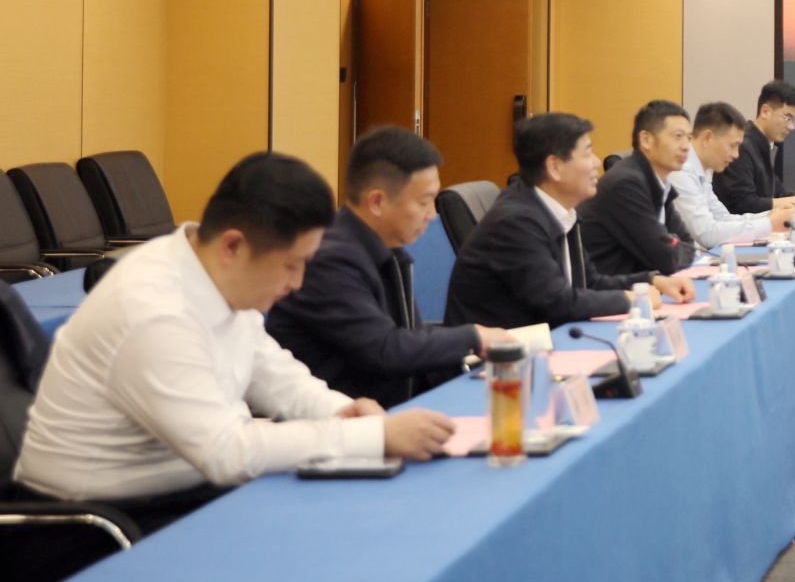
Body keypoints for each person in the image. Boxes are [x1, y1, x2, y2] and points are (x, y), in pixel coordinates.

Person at [14, 153, 454, 527]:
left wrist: (339, 410)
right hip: (92, 524)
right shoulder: (153, 311)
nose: (298, 282)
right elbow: (226, 452)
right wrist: (374, 437)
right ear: (233, 246)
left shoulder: (209, 269)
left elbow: (271, 370)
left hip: (181, 490)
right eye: (291, 264)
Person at [267, 128, 510, 408]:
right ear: (377, 202)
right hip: (346, 421)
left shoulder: (385, 246)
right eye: (423, 202)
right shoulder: (330, 260)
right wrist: (473, 337)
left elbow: (408, 337)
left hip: (392, 410)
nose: (432, 215)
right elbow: (385, 350)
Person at [446, 113, 691, 329]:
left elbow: (589, 282)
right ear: (554, 167)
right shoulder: (516, 221)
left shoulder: (559, 209)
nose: (597, 162)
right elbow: (558, 302)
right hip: (496, 357)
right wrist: (632, 299)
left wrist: (651, 280)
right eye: (587, 152)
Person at [582, 100, 699, 279]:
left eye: (688, 138)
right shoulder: (626, 184)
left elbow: (689, 245)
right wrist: (673, 248)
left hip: (641, 286)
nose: (686, 146)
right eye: (678, 136)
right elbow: (665, 260)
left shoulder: (658, 182)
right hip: (612, 291)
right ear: (646, 140)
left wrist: (673, 249)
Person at [670, 101, 795, 262]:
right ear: (708, 138)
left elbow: (722, 217)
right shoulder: (681, 170)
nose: (736, 154)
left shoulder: (704, 169)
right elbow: (707, 234)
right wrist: (769, 222)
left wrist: (771, 215)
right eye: (732, 146)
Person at [713, 80, 795, 217]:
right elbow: (745, 204)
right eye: (787, 118)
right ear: (765, 111)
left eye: (794, 120)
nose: (791, 127)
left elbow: (778, 192)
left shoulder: (764, 144)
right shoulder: (742, 145)